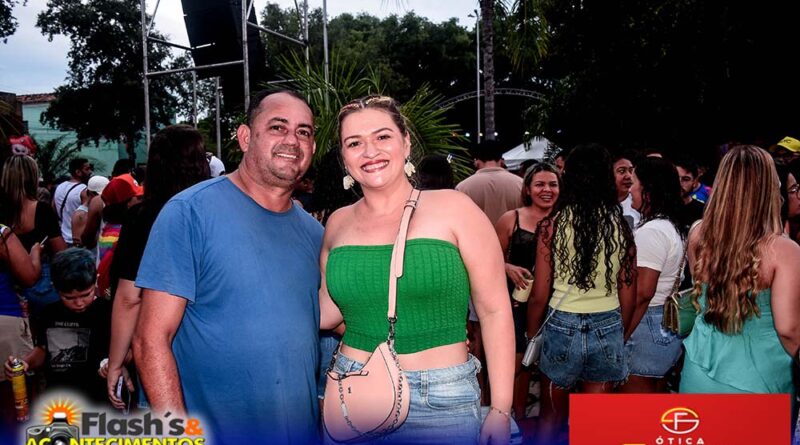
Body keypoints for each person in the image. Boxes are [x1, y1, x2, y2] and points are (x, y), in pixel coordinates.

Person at [319, 95, 514, 444]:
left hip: (441, 398)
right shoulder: (337, 223)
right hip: (353, 390)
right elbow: (329, 313)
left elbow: (495, 311)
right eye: (354, 143)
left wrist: (500, 408)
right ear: (344, 158)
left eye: (382, 136)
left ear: (406, 142)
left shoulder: (455, 208)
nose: (370, 151)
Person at [133, 91, 323, 445]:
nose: (292, 140)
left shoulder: (315, 235)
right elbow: (150, 341)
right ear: (245, 137)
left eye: (303, 132)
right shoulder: (190, 212)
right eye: (278, 127)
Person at [526, 143, 637, 445]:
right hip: (608, 322)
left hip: (561, 324)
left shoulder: (552, 226)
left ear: (569, 177)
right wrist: (620, 331)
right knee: (596, 421)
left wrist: (532, 335)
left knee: (550, 416)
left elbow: (539, 294)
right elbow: (629, 292)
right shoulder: (621, 226)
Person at [104, 125, 210, 411]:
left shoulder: (144, 217)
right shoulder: (216, 213)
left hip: (160, 351)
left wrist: (115, 362)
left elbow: (129, 298)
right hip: (211, 352)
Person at [680, 145, 800, 394]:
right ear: (769, 188)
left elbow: (701, 296)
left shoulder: (698, 233)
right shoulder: (784, 250)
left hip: (698, 369)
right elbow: (788, 329)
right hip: (761, 379)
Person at [495, 162, 560, 419]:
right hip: (516, 303)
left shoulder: (565, 220)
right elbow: (488, 259)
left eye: (553, 184)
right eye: (540, 184)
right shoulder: (512, 219)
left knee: (549, 369)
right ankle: (512, 418)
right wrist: (507, 266)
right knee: (517, 363)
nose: (547, 190)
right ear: (528, 189)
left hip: (556, 305)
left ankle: (540, 422)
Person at [4, 248, 110, 404]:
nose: (79, 303)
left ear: (95, 281)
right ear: (56, 289)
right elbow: (43, 349)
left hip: (98, 398)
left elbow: (126, 350)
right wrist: (25, 363)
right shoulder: (49, 313)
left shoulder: (108, 311)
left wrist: (115, 364)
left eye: (86, 295)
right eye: (69, 298)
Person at [618, 157, 686, 393]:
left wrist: (622, 335)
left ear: (648, 190)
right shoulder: (669, 225)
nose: (630, 190)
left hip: (645, 324)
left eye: (634, 183)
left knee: (634, 407)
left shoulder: (653, 231)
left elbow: (642, 293)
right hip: (660, 323)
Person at [0, 155, 67, 316]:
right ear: (33, 178)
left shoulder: (2, 211)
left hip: (7, 287)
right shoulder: (42, 210)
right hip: (39, 286)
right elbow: (61, 253)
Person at [0, 220, 40, 432]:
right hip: (5, 319)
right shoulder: (1, 233)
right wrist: (35, 254)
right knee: (14, 395)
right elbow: (29, 276)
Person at [456, 140, 523, 225]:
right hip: (513, 232)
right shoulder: (521, 184)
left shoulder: (463, 188)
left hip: (477, 233)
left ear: (476, 162)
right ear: (502, 161)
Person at [53, 158, 92, 246]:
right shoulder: (84, 190)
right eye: (87, 169)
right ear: (78, 172)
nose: (90, 172)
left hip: (63, 238)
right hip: (78, 239)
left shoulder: (59, 187)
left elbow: (54, 209)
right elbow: (88, 216)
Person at [71, 175, 109, 249]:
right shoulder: (81, 215)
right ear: (89, 193)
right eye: (97, 195)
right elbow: (80, 243)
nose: (100, 198)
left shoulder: (104, 207)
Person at [673, 156, 706, 231]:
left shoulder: (702, 211)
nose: (679, 183)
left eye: (685, 179)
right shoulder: (662, 209)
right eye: (675, 178)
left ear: (694, 182)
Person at [612, 149, 641, 230]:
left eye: (631, 171)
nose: (629, 176)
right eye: (622, 171)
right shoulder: (599, 205)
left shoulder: (639, 204)